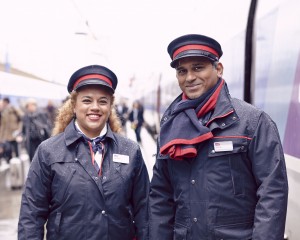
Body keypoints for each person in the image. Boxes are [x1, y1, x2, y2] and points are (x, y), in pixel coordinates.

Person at [149, 34, 288, 240]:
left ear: (219, 69)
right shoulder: (170, 127)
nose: (189, 77)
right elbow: (161, 197)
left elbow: (272, 193)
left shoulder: (253, 122)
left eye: (198, 67)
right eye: (182, 71)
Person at [18, 65, 149, 240]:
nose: (95, 107)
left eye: (103, 101)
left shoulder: (131, 151)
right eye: (87, 100)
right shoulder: (48, 151)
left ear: (110, 106)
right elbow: (31, 214)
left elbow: (145, 211)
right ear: (73, 105)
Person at [0, 97, 22, 162]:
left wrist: (19, 130)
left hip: (15, 134)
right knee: (8, 151)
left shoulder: (14, 110)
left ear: (7, 103)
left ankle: (18, 165)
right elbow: (2, 126)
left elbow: (21, 119)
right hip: (7, 135)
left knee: (17, 151)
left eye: (4, 103)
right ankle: (10, 163)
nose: (3, 104)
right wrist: (1, 137)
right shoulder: (3, 112)